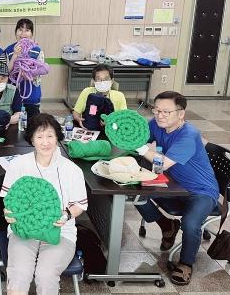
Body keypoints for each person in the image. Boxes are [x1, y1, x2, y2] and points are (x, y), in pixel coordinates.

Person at [134, 91, 219, 286]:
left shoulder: (189, 135)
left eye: (166, 112)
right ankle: (167, 226)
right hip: (173, 184)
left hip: (201, 191)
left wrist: (140, 148)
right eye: (156, 110)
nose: (160, 115)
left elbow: (163, 163)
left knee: (190, 223)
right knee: (134, 194)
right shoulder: (156, 124)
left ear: (181, 114)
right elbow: (141, 137)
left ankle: (186, 264)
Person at [1, 113, 87, 295]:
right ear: (32, 139)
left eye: (50, 136)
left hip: (61, 232)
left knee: (45, 275)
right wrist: (9, 213)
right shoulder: (18, 165)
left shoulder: (72, 170)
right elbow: (9, 201)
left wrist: (66, 215)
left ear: (57, 138)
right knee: (19, 274)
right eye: (39, 137)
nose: (45, 142)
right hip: (24, 231)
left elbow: (80, 205)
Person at [4, 19, 47, 117]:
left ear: (31, 33)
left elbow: (42, 70)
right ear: (15, 32)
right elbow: (5, 72)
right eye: (20, 29)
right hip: (12, 95)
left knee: (33, 123)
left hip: (31, 96)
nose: (23, 33)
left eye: (27, 30)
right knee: (13, 124)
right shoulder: (8, 50)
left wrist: (29, 74)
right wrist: (15, 55)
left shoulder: (37, 50)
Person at [72, 64, 127, 128]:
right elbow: (76, 113)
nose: (102, 82)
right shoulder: (86, 92)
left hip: (111, 129)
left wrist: (111, 122)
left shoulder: (119, 96)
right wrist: (78, 119)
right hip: (90, 127)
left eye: (106, 79)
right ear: (94, 81)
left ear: (112, 81)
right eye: (98, 79)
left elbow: (124, 118)